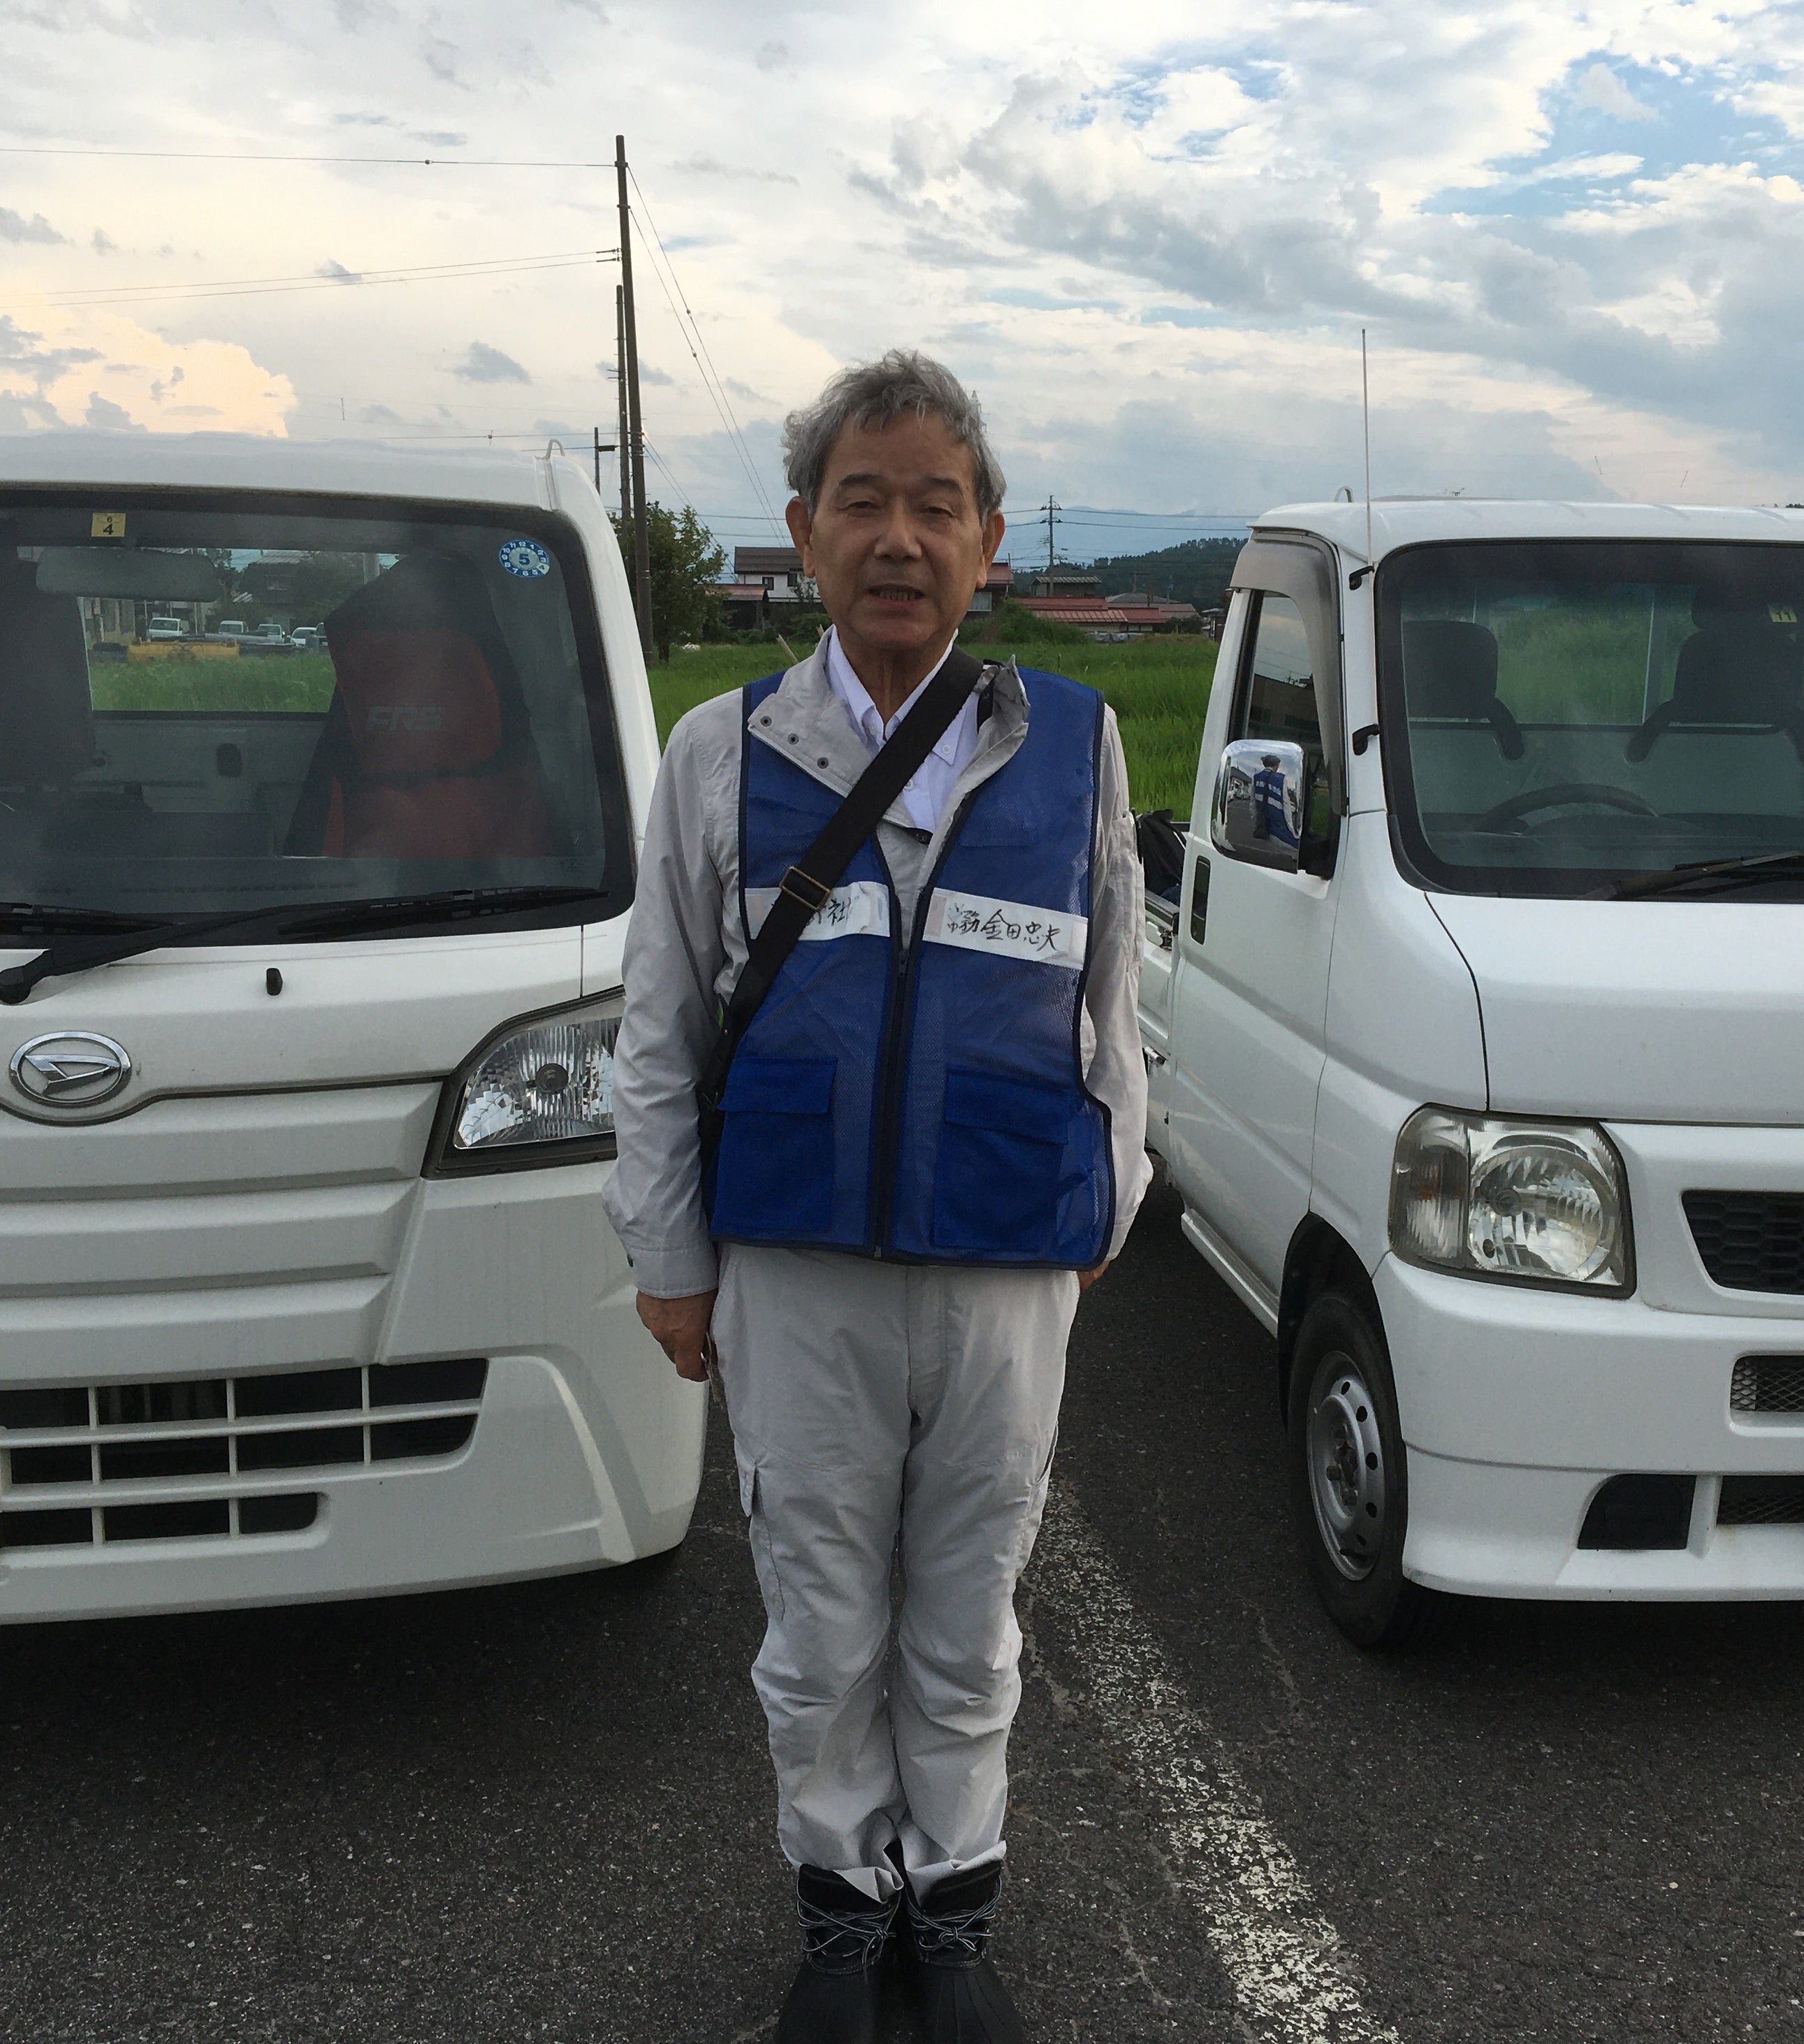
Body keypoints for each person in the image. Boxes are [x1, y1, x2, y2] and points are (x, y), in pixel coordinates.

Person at [604, 350, 1149, 2043]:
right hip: (795, 1271)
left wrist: (1102, 1213)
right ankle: (844, 1917)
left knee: (972, 1617)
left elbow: (1119, 1014)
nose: (899, 537)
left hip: (1005, 1270)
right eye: (864, 501)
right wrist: (671, 1258)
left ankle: (954, 1910)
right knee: (821, 1619)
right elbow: (657, 1029)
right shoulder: (719, 752)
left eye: (937, 505)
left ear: (988, 539)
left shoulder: (1074, 743)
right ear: (803, 533)